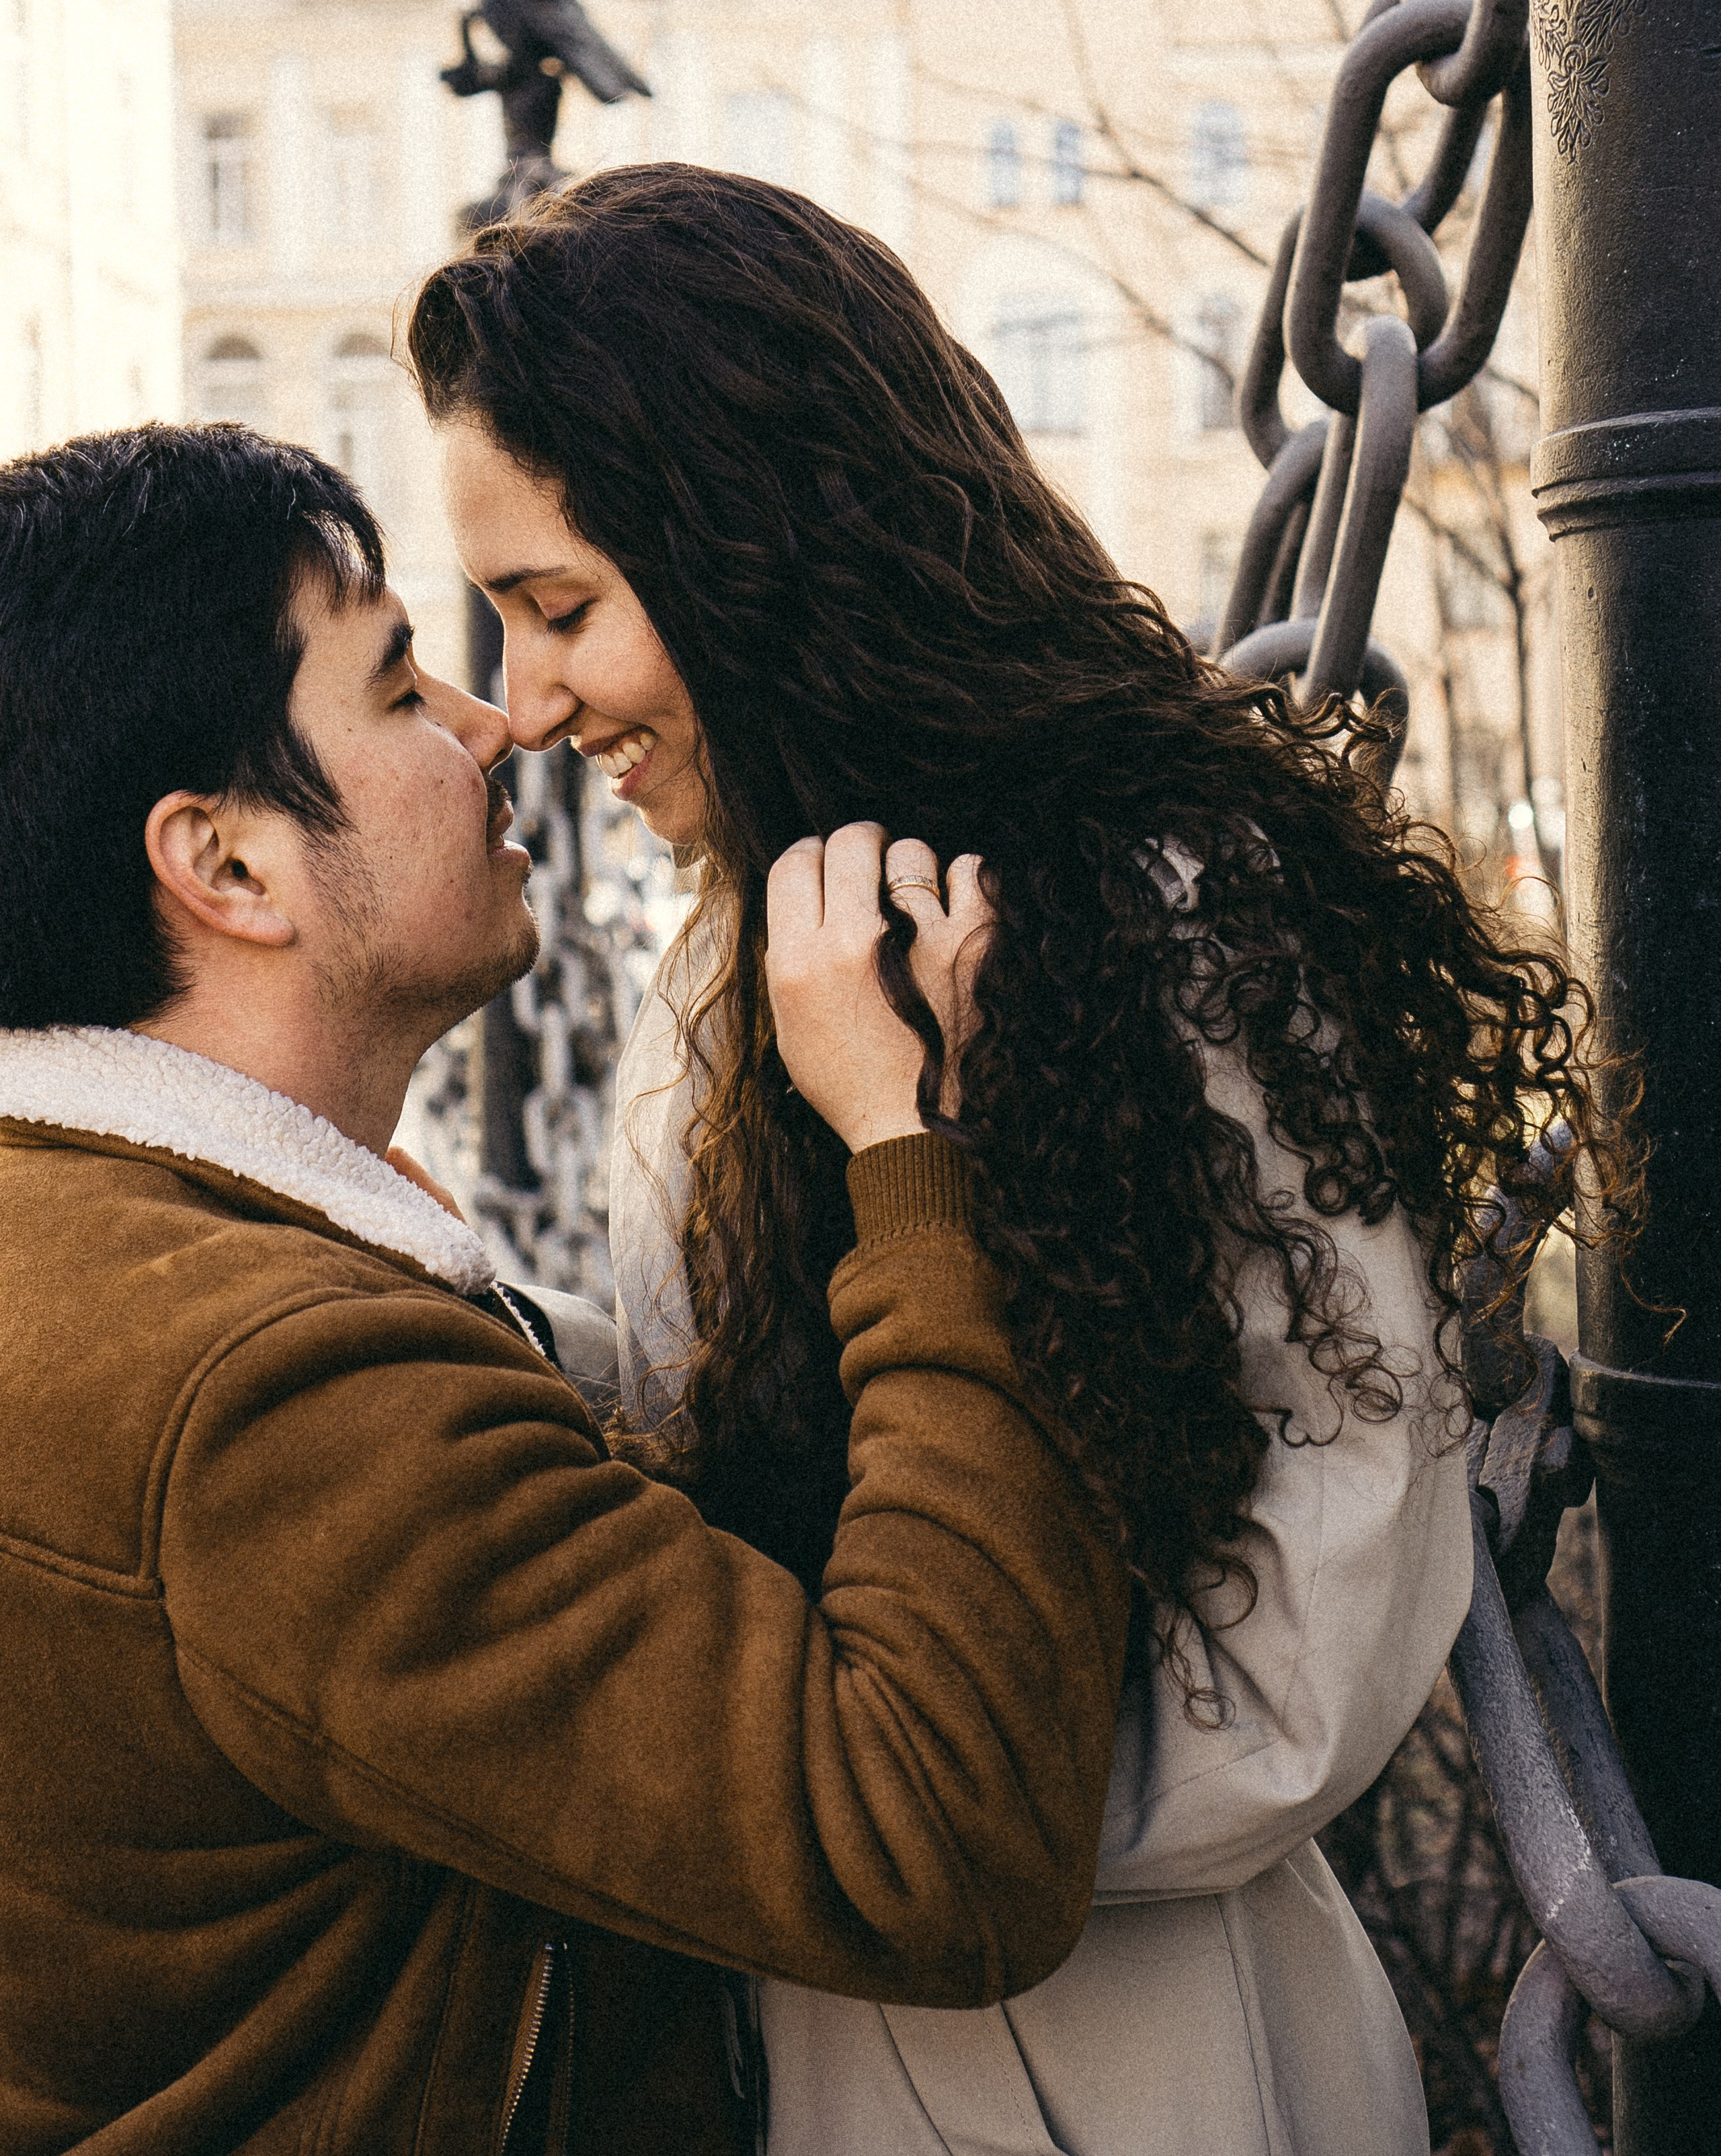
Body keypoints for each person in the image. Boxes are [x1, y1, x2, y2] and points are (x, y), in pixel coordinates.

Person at [409, 162, 1626, 2156]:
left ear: (753, 555)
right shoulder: (753, 944)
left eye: (565, 609)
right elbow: (728, 1437)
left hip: (1134, 2053)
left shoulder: (1163, 921)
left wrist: (863, 1781)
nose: (530, 701)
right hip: (824, 2004)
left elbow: (1305, 1660)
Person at [0, 423, 1132, 2155]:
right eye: (398, 691)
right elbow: (935, 1841)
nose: (497, 726)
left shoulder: (78, 1240)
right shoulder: (277, 1400)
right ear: (228, 865)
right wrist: (921, 1158)